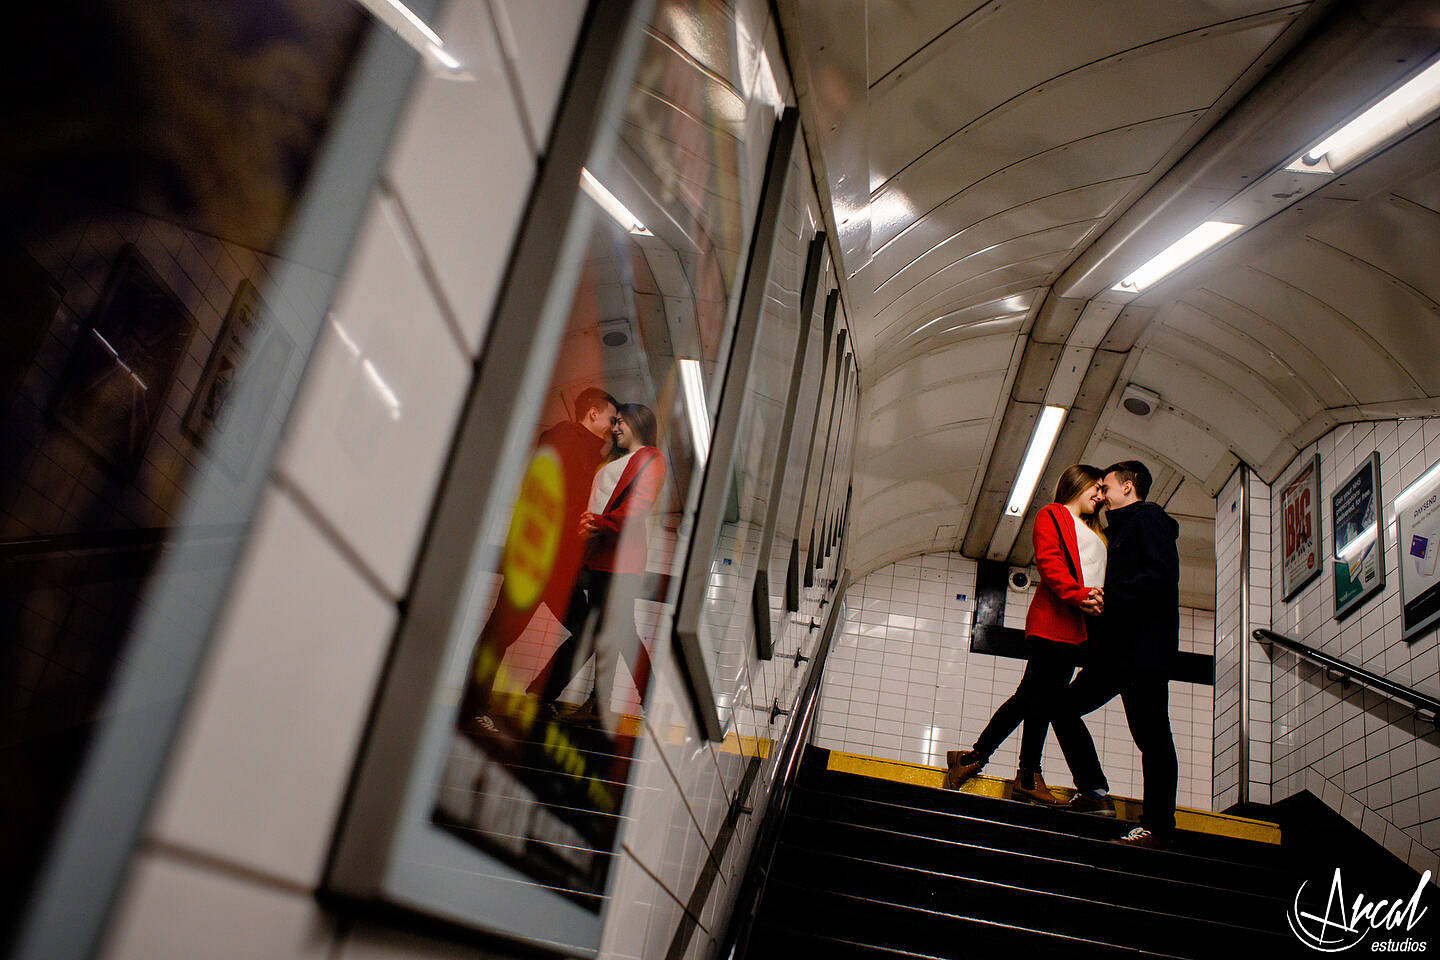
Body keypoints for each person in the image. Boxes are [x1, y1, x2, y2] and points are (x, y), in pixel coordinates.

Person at [944, 465, 1107, 805]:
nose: (1101, 495)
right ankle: (1022, 773)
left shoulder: (1096, 530)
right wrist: (1081, 596)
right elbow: (1050, 564)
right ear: (1079, 483)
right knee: (1038, 698)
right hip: (1054, 621)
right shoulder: (1053, 514)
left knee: (1033, 698)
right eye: (1096, 487)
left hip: (1077, 628)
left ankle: (978, 759)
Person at [459, 387, 618, 731]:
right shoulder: (562, 438)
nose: (611, 424)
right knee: (501, 633)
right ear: (593, 412)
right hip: (537, 558)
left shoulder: (590, 453)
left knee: (588, 627)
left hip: (560, 563)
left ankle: (535, 696)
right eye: (609, 416)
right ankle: (470, 707)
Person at [1049, 460, 1182, 849]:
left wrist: (1111, 597)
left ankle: (1158, 826)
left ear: (1128, 486)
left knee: (1153, 738)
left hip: (1143, 652)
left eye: (1105, 486)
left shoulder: (1149, 521)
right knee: (1061, 706)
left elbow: (1160, 577)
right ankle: (1093, 791)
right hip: (1115, 652)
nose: (1100, 493)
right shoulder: (1115, 532)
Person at [528, 403, 667, 730]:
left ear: (638, 422)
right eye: (614, 421)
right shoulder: (616, 461)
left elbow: (638, 507)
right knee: (611, 632)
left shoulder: (651, 457)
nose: (615, 428)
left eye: (621, 422)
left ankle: (549, 695)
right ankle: (595, 703)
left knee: (613, 632)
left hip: (620, 561)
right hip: (600, 557)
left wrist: (600, 523)